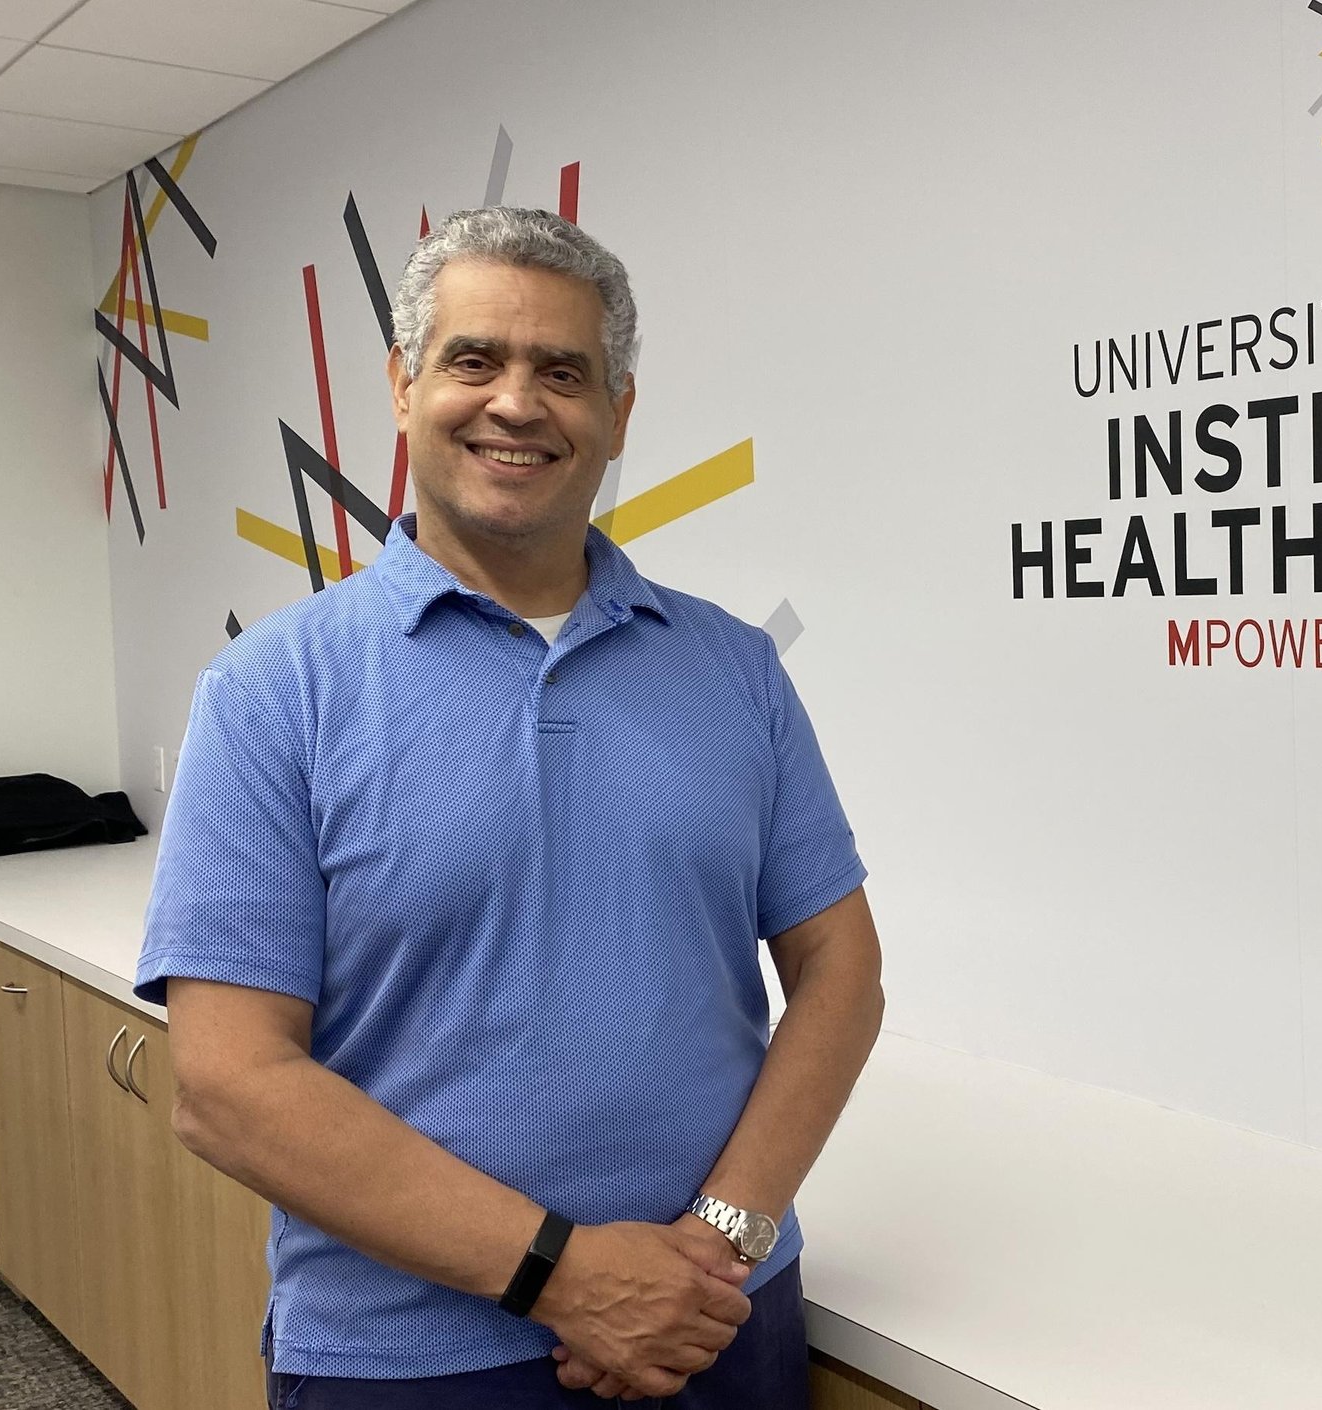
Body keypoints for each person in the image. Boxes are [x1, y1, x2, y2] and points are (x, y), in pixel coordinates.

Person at [136, 206, 883, 1408]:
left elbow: (840, 966)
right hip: (411, 1359)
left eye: (563, 372)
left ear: (618, 412)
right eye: (474, 359)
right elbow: (228, 1088)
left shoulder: (733, 667)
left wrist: (719, 1244)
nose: (517, 403)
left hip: (713, 1323)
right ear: (402, 385)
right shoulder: (276, 692)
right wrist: (566, 1277)